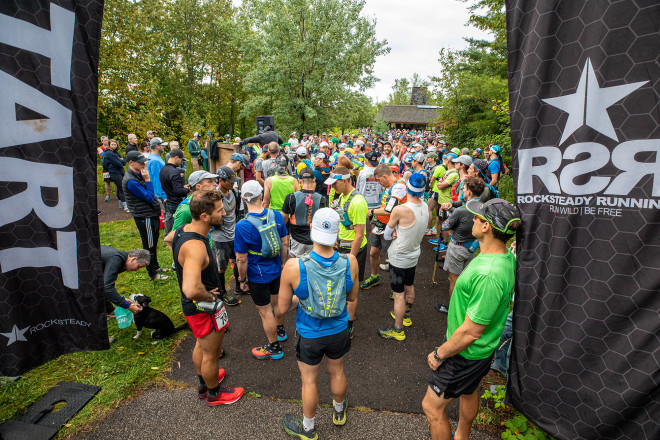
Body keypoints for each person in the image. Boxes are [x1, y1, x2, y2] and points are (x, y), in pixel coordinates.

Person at [422, 198, 521, 440]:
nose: (473, 219)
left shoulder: (489, 273)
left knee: (432, 407)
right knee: (469, 390)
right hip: (481, 350)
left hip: (465, 353)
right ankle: (462, 435)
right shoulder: (502, 256)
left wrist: (440, 354)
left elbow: (470, 332)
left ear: (487, 226)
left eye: (478, 217)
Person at [279, 208, 358, 439]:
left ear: (312, 231)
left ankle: (308, 428)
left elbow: (283, 308)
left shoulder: (295, 266)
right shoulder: (349, 261)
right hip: (339, 329)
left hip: (309, 332)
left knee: (309, 381)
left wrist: (301, 296)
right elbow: (351, 298)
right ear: (336, 235)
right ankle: (339, 412)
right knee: (337, 372)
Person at [171, 190, 244, 406]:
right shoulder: (195, 247)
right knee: (211, 354)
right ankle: (214, 394)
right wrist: (209, 297)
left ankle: (204, 383)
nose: (224, 213)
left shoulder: (183, 230)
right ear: (204, 216)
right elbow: (191, 289)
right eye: (220, 210)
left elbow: (168, 238)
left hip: (194, 310)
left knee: (201, 346)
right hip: (203, 309)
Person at [234, 180, 290, 359]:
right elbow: (285, 243)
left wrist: (242, 280)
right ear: (261, 196)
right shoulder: (276, 215)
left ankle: (274, 347)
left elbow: (241, 258)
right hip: (276, 268)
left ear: (242, 198)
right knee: (277, 303)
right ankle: (280, 330)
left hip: (257, 274)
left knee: (265, 312)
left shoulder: (242, 226)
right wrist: (282, 263)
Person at [378, 173, 429, 341]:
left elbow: (386, 235)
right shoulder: (426, 206)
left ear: (408, 188)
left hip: (399, 256)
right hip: (414, 253)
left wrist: (392, 232)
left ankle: (397, 329)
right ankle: (406, 317)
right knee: (409, 285)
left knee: (398, 295)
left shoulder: (400, 209)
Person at [326, 167, 367, 339]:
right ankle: (342, 315)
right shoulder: (342, 196)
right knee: (339, 285)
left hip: (353, 250)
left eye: (335, 183)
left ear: (345, 180)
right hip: (341, 247)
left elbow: (359, 235)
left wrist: (351, 256)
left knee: (351, 289)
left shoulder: (357, 202)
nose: (332, 187)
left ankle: (349, 325)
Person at [435, 176, 485, 315]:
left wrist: (447, 212)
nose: (462, 191)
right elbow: (462, 203)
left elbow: (445, 226)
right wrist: (452, 204)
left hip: (457, 247)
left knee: (454, 281)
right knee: (465, 279)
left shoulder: (460, 212)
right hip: (472, 247)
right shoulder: (482, 207)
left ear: (469, 191)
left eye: (464, 189)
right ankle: (464, 305)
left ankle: (453, 309)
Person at [122, 151, 168, 281]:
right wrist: (148, 180)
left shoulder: (138, 175)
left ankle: (156, 266)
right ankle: (152, 273)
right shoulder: (131, 180)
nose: (144, 164)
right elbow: (148, 197)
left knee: (153, 241)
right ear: (131, 163)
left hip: (150, 214)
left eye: (144, 161)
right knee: (149, 244)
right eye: (140, 162)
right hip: (144, 216)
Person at [360, 164, 407, 289]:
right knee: (373, 252)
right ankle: (374, 276)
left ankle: (396, 286)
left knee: (393, 256)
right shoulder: (388, 186)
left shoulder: (399, 186)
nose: (379, 183)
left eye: (379, 180)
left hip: (393, 226)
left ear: (385, 176)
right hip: (380, 224)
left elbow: (389, 209)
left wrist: (372, 212)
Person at [210, 166, 243, 307]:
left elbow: (236, 213)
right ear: (221, 181)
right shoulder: (213, 196)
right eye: (230, 181)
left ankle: (239, 287)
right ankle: (222, 293)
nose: (233, 183)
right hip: (220, 237)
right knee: (221, 267)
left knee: (238, 260)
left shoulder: (234, 193)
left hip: (234, 234)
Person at [282, 168, 326, 258]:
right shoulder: (322, 199)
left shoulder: (290, 197)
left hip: (296, 240)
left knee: (295, 267)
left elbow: (284, 219)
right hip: (314, 241)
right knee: (311, 267)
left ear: (299, 180)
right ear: (314, 180)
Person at [101, 245, 148, 317]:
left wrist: (121, 299)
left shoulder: (120, 257)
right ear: (133, 259)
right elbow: (107, 288)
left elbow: (102, 283)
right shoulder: (116, 260)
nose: (136, 270)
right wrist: (127, 305)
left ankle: (108, 310)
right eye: (138, 266)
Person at [159, 149, 190, 236]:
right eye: (181, 160)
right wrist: (189, 189)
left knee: (171, 221)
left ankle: (168, 236)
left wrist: (182, 187)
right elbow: (178, 191)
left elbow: (168, 186)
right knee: (181, 226)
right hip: (176, 202)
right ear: (176, 158)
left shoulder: (163, 169)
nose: (181, 163)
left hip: (169, 200)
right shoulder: (174, 171)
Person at [102, 139, 128, 212]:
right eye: (112, 144)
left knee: (120, 188)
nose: (114, 146)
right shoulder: (109, 153)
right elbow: (119, 163)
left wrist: (120, 160)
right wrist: (120, 160)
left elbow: (124, 162)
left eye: (115, 144)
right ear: (109, 145)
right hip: (114, 172)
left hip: (119, 172)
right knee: (121, 188)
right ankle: (125, 206)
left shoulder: (116, 152)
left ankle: (121, 204)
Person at [147, 137, 168, 203]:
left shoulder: (155, 157)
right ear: (157, 146)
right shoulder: (155, 161)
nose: (164, 147)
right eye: (162, 145)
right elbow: (156, 179)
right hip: (160, 195)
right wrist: (162, 196)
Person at [98, 136, 112, 202]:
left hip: (113, 166)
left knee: (116, 181)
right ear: (102, 141)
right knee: (107, 181)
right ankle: (108, 195)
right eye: (105, 140)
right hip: (106, 167)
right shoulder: (100, 148)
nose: (107, 141)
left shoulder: (111, 147)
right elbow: (103, 156)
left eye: (107, 140)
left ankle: (118, 195)